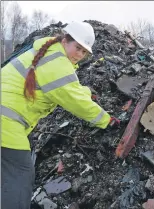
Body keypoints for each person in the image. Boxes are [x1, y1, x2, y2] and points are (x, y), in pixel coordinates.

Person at [1, 21, 117, 209]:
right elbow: (73, 99)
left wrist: (87, 92)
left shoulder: (51, 54)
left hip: (7, 120)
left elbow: (69, 90)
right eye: (77, 48)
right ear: (65, 40)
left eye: (84, 52)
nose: (79, 55)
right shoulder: (56, 62)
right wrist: (107, 120)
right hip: (5, 121)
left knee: (7, 173)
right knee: (21, 173)